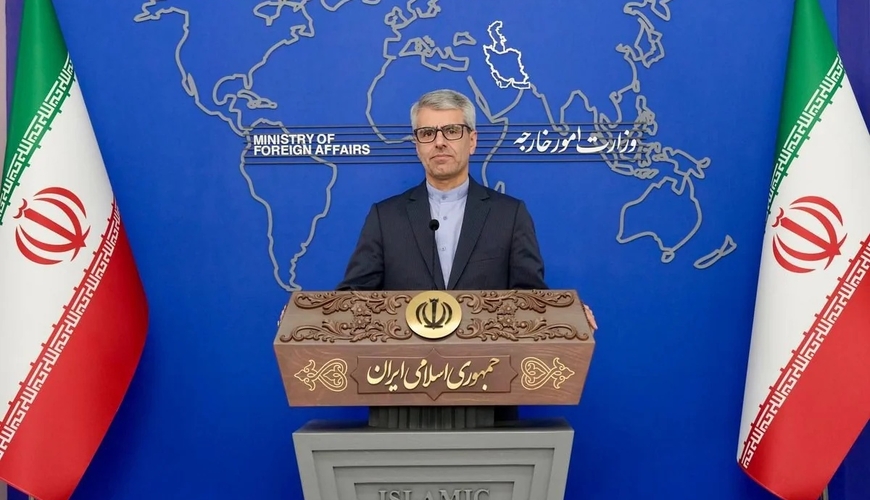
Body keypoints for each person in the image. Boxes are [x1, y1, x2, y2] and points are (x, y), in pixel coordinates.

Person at [336, 89, 596, 428]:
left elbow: (530, 297)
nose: (439, 142)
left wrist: (567, 314)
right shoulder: (385, 217)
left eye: (451, 130)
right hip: (401, 406)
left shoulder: (509, 215)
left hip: (489, 402)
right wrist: (304, 316)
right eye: (427, 133)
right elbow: (354, 297)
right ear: (417, 145)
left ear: (472, 140)